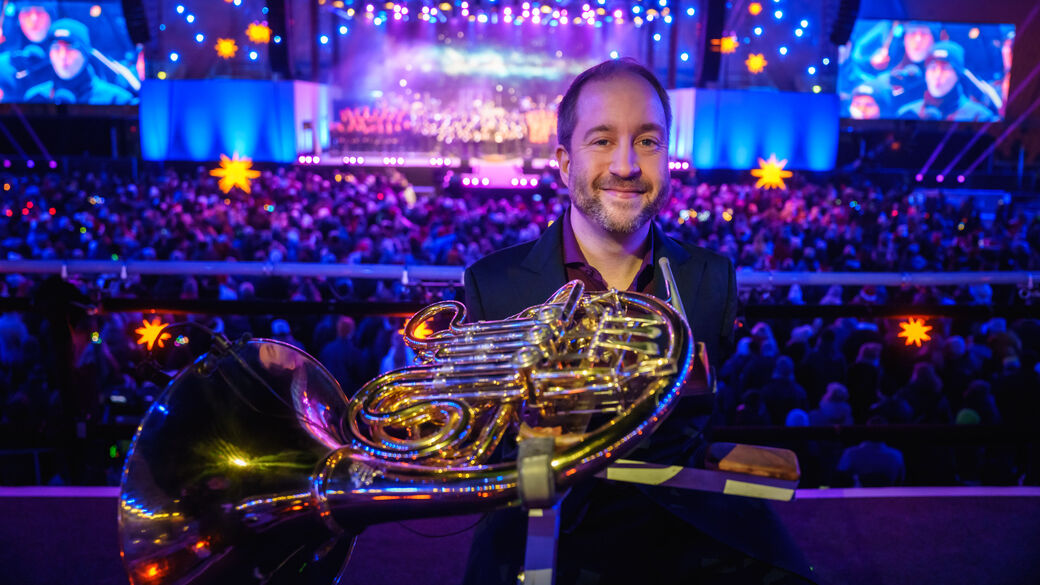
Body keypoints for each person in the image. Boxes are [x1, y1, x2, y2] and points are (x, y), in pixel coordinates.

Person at [463, 58, 813, 585]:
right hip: (542, 533)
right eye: (602, 141)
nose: (627, 164)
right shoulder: (493, 283)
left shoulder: (713, 278)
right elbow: (480, 449)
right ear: (563, 162)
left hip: (684, 529)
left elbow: (698, 424)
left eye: (647, 141)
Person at [23, 18, 134, 105]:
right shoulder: (35, 98)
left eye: (70, 48)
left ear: (85, 54)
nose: (62, 56)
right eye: (56, 48)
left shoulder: (117, 100)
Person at [897, 41, 998, 122]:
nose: (937, 75)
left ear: (958, 75)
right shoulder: (907, 113)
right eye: (932, 68)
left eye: (945, 69)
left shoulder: (980, 117)